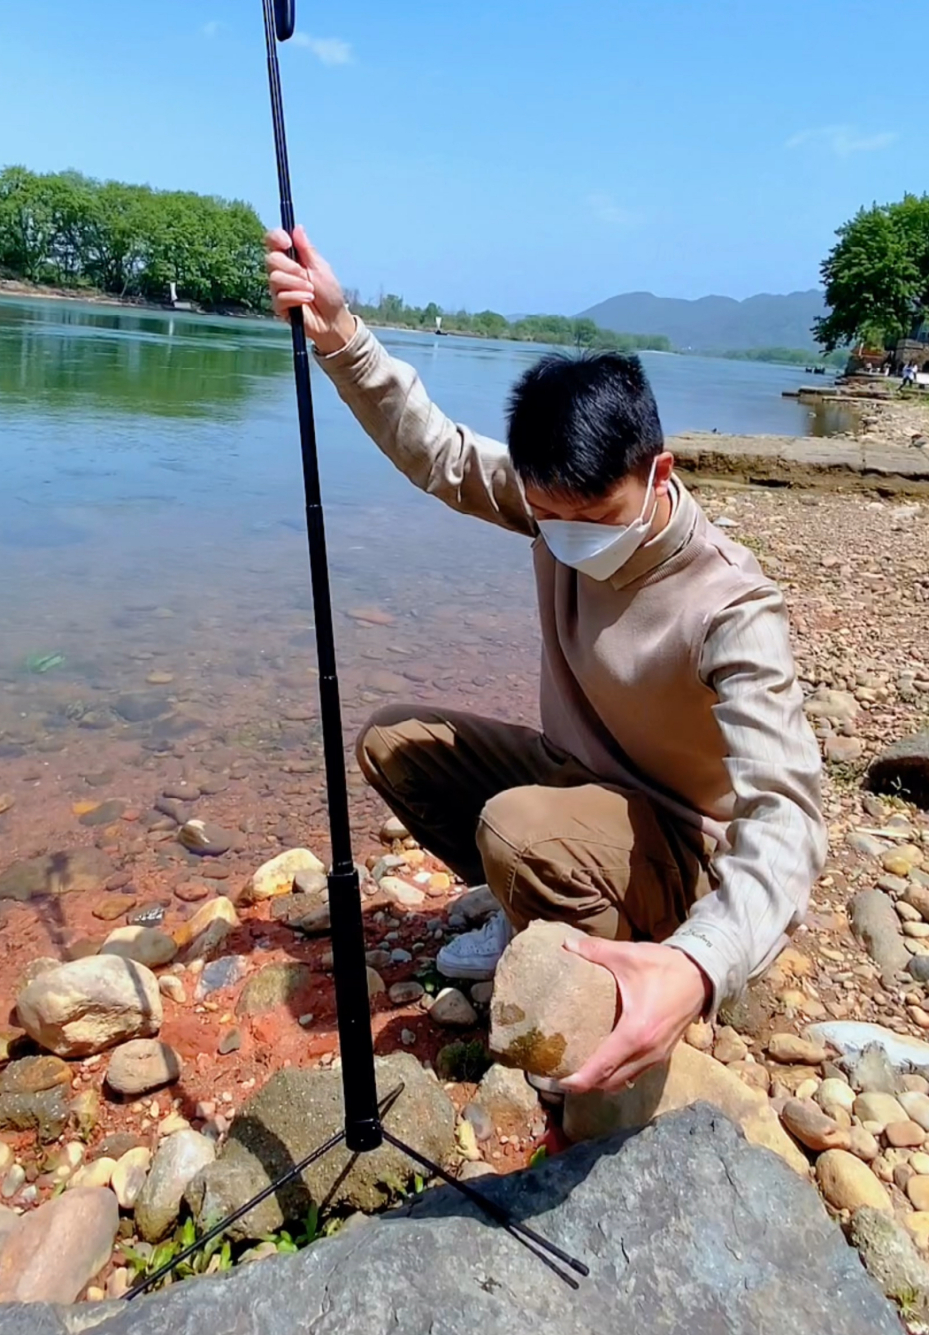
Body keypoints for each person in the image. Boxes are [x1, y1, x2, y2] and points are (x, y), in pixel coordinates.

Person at [265, 228, 825, 1100]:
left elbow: (787, 814)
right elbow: (439, 454)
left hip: (681, 849)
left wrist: (702, 964)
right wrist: (341, 335)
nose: (568, 536)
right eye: (546, 513)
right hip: (581, 784)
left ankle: (596, 959)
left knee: (515, 830)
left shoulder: (732, 609)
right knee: (395, 743)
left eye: (594, 515)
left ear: (659, 473)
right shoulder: (554, 505)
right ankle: (533, 901)